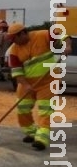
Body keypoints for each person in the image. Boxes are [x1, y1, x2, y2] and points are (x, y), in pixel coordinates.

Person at [7, 23, 69, 151]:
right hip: (26, 83)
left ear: (23, 33)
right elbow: (17, 72)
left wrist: (67, 46)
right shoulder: (14, 50)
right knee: (22, 107)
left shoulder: (42, 35)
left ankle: (41, 139)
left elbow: (63, 35)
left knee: (45, 109)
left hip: (48, 81)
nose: (13, 42)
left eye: (14, 38)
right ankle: (31, 132)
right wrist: (26, 85)